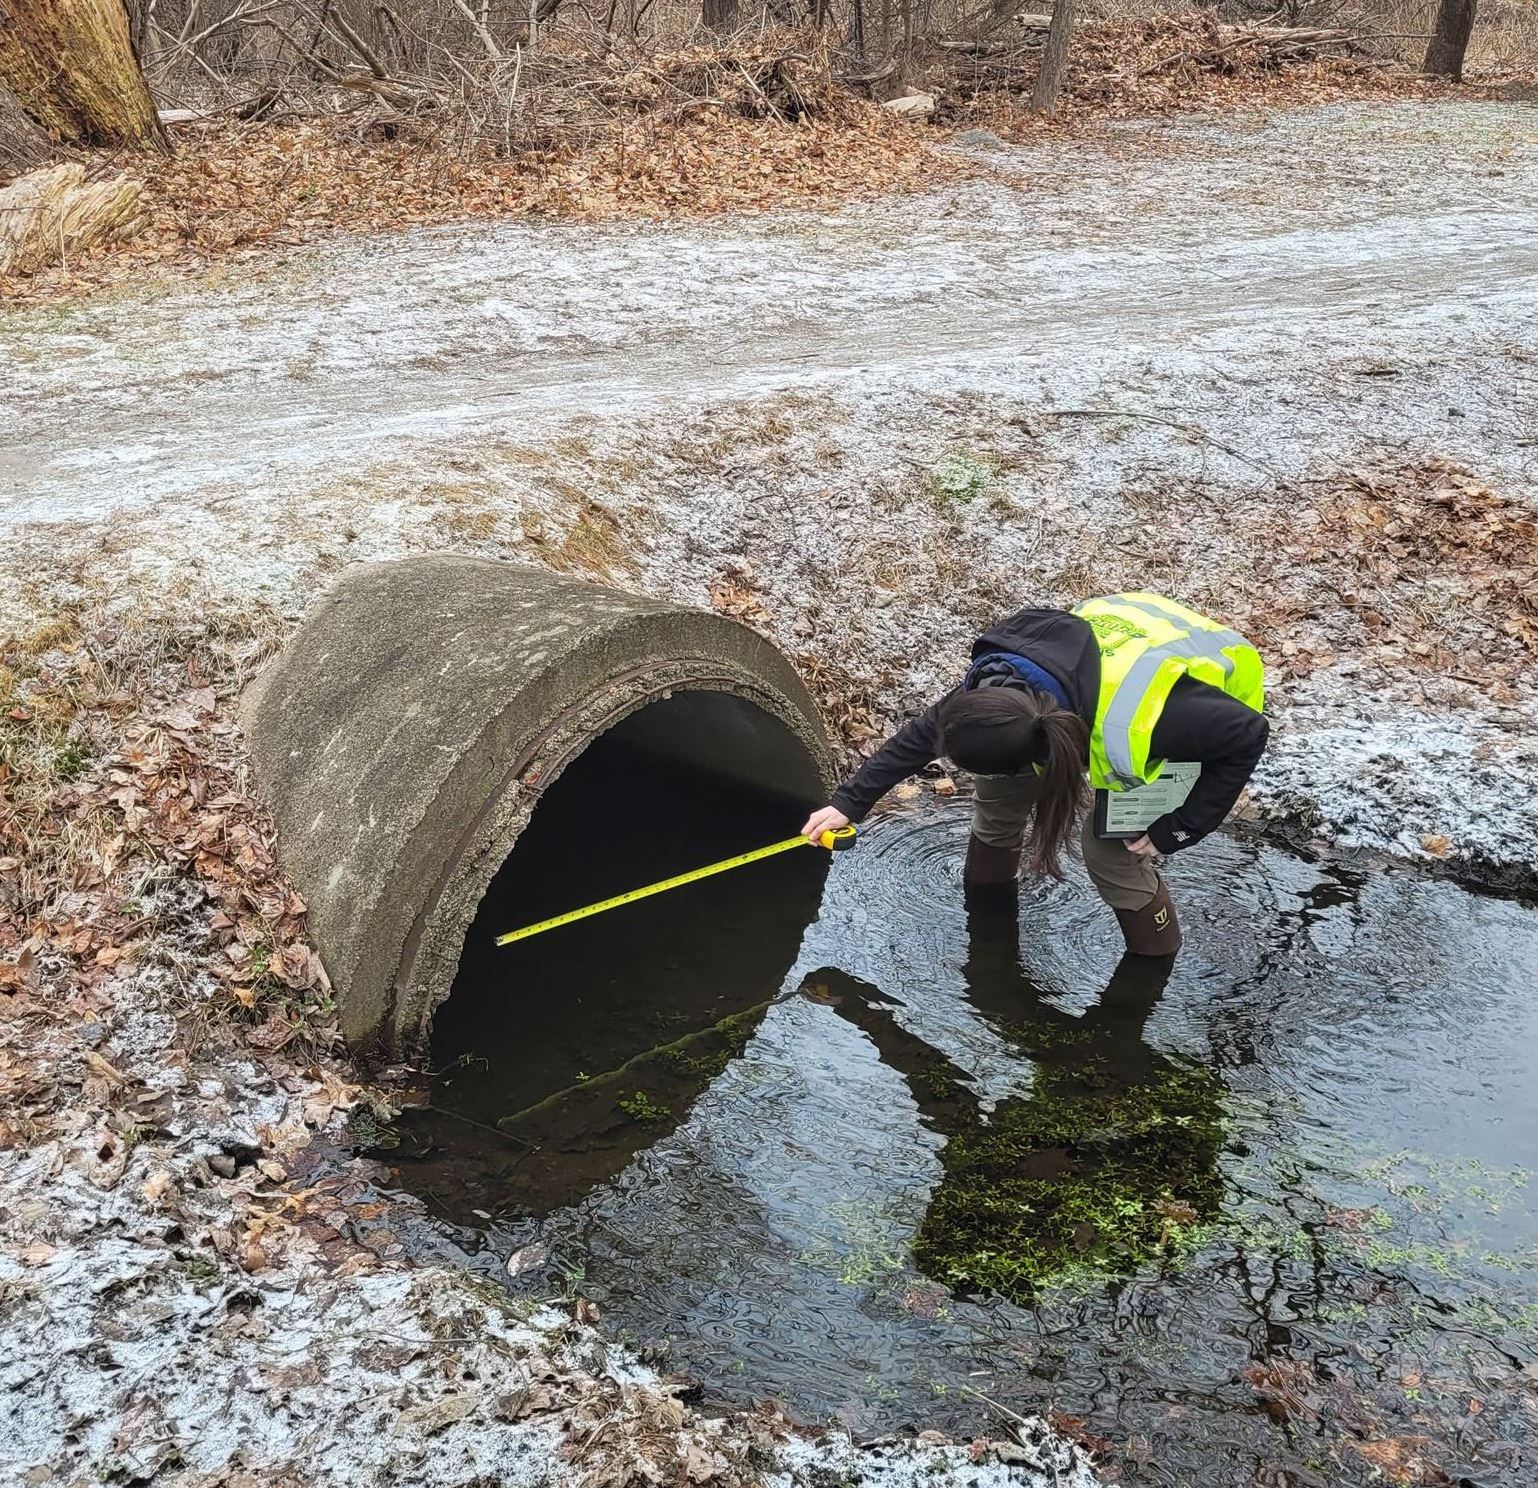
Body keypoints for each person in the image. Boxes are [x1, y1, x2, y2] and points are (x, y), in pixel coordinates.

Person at [801, 592, 1268, 955]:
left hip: (1190, 711)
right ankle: (988, 921)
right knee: (997, 796)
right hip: (1094, 672)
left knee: (1108, 850)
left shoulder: (1157, 719)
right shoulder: (994, 686)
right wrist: (848, 803)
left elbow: (1248, 735)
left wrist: (1184, 826)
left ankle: (1153, 962)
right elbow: (921, 735)